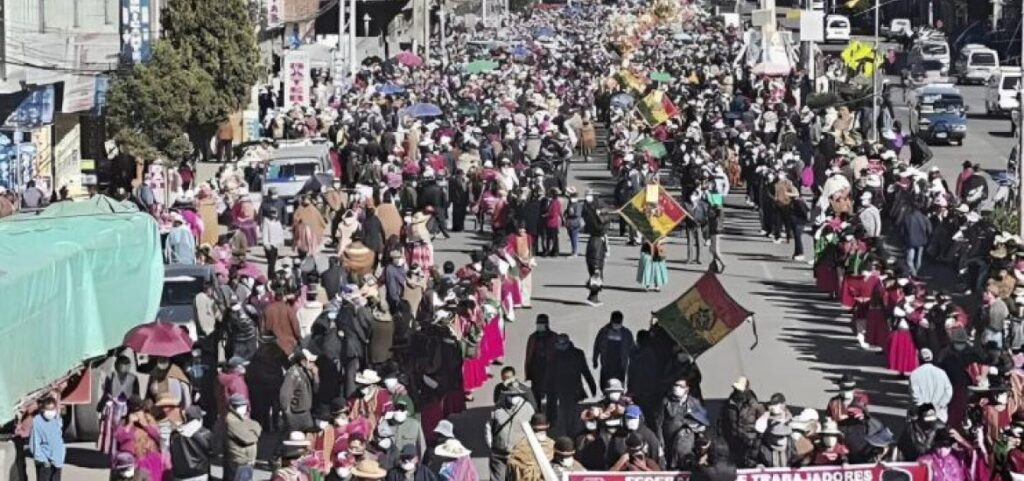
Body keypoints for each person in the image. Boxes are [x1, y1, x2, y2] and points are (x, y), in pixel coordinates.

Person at [546, 334, 597, 435]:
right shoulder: (554, 355)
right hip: (560, 389)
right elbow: (549, 374)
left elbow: (585, 371)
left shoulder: (577, 354)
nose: (559, 346)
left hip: (574, 389)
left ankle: (572, 433)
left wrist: (592, 386)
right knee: (563, 414)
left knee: (573, 413)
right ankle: (566, 433)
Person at [592, 311, 636, 388]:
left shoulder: (626, 333)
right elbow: (597, 346)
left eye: (619, 322)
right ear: (611, 321)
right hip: (607, 363)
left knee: (619, 384)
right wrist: (595, 359)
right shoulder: (604, 332)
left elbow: (632, 348)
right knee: (605, 384)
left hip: (620, 364)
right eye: (615, 322)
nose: (617, 324)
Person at [224, 393, 262, 481]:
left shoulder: (242, 418)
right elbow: (248, 438)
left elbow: (258, 427)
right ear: (234, 407)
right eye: (242, 406)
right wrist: (253, 432)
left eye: (245, 405)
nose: (245, 408)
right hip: (241, 461)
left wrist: (252, 429)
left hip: (248, 460)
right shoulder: (231, 420)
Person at [169, 405, 213, 481]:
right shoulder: (205, 433)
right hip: (200, 475)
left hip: (180, 476)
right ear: (199, 418)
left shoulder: (175, 434)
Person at [909, 348, 953, 422]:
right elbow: (949, 391)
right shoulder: (941, 373)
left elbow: (914, 395)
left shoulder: (914, 374)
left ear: (919, 359)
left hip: (920, 414)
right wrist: (940, 405)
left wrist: (923, 407)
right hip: (940, 415)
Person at [280, 349, 320, 432]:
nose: (313, 364)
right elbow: (284, 395)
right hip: (296, 415)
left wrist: (315, 375)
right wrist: (287, 413)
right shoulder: (293, 374)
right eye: (311, 361)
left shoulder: (305, 372)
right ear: (303, 362)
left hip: (306, 413)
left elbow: (316, 390)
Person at [524, 314, 558, 409]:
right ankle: (537, 412)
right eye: (538, 323)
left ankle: (551, 413)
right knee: (536, 393)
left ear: (547, 324)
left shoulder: (554, 337)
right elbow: (528, 356)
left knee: (551, 392)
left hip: (550, 368)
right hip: (536, 369)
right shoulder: (533, 337)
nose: (540, 326)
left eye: (542, 323)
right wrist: (528, 373)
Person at [508, 414, 554, 481]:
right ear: (548, 425)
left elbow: (512, 467)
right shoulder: (553, 445)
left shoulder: (519, 446)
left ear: (530, 426)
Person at [30, 397, 66, 481]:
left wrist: (61, 456)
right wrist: (41, 459)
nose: (50, 412)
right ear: (43, 409)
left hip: (57, 461)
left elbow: (58, 439)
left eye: (52, 409)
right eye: (48, 409)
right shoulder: (37, 421)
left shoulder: (56, 420)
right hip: (45, 462)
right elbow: (35, 443)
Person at [262, 208, 287, 275]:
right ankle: (270, 276)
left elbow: (280, 232)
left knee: (275, 261)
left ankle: (274, 275)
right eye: (272, 213)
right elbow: (265, 233)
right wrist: (266, 244)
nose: (273, 215)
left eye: (274, 213)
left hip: (276, 244)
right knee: (271, 262)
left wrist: (281, 242)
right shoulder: (266, 221)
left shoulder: (277, 221)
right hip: (269, 245)